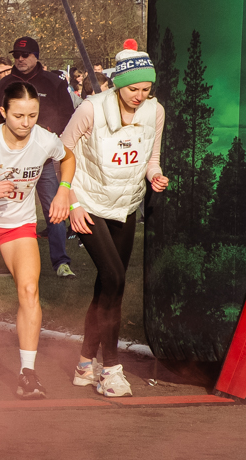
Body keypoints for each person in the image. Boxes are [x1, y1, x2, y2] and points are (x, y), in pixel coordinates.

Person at [0, 80, 75, 399]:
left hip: (18, 225)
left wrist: (63, 191)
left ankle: (28, 374)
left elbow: (67, 157)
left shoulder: (44, 139)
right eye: (19, 116)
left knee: (30, 290)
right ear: (3, 112)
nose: (26, 123)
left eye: (32, 115)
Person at [62, 40, 169, 399]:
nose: (140, 96)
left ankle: (83, 364)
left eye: (146, 89)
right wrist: (72, 202)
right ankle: (110, 369)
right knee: (115, 277)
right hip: (88, 203)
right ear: (118, 84)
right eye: (134, 89)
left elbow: (152, 157)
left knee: (108, 287)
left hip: (124, 205)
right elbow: (63, 151)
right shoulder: (90, 109)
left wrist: (155, 175)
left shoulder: (155, 112)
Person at [0, 36, 80, 278]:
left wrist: (50, 132)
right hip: (12, 161)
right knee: (7, 207)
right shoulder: (5, 83)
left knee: (54, 209)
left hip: (44, 160)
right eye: (16, 55)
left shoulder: (53, 82)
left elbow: (68, 115)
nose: (20, 59)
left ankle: (61, 262)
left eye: (25, 55)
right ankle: (8, 258)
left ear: (36, 56)